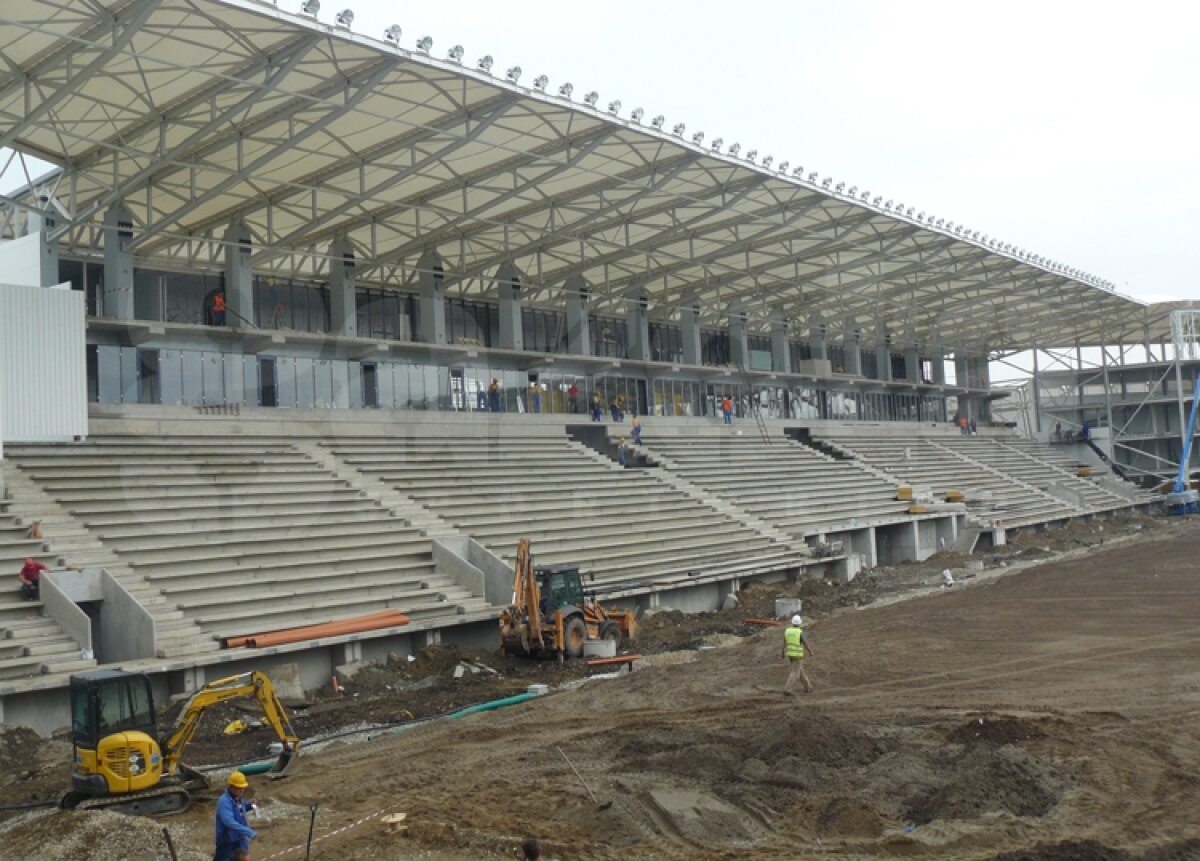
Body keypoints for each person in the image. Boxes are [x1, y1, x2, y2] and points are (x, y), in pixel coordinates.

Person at [214, 771, 257, 861]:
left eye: (243, 788)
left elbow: (239, 810)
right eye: (239, 788)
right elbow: (229, 822)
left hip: (240, 838)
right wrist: (248, 831)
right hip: (227, 841)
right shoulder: (224, 802)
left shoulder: (238, 797)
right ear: (231, 787)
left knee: (244, 858)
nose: (242, 790)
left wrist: (249, 805)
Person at [780, 614, 814, 695]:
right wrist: (810, 651)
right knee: (795, 673)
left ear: (792, 622)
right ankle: (787, 689)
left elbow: (784, 642)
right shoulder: (799, 632)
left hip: (790, 655)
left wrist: (782, 652)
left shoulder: (787, 631)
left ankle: (808, 687)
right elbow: (806, 643)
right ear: (800, 623)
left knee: (800, 670)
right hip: (797, 655)